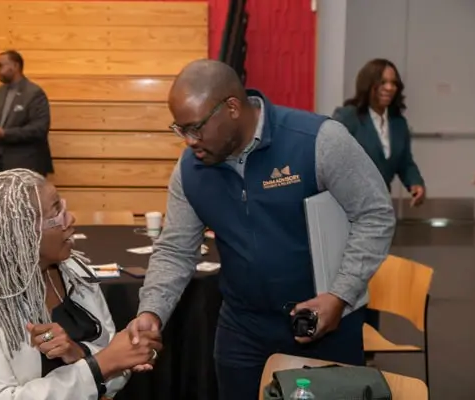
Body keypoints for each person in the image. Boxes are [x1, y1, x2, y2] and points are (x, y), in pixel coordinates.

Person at [126, 59, 396, 400]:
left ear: (232, 108)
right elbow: (175, 250)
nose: (189, 141)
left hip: (326, 324)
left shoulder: (318, 140)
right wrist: (151, 311)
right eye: (180, 130)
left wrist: (340, 295)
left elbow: (375, 215)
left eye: (196, 128)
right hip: (243, 331)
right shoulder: (190, 170)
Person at [0, 168, 162, 399]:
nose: (71, 219)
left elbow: (117, 370)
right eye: (57, 212)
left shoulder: (74, 271)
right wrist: (99, 365)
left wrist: (79, 352)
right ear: (23, 232)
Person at [332, 58, 425, 332]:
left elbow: (405, 162)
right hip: (346, 211)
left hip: (378, 213)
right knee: (350, 274)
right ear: (368, 83)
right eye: (383, 82)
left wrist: (415, 183)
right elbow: (331, 159)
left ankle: (368, 338)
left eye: (393, 83)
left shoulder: (398, 123)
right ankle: (347, 335)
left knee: (373, 276)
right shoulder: (347, 117)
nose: (389, 87)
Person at [0, 50, 53, 176]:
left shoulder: (34, 93)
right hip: (0, 163)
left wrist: (5, 133)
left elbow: (39, 129)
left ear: (15, 66)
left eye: (0, 65)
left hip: (26, 165)